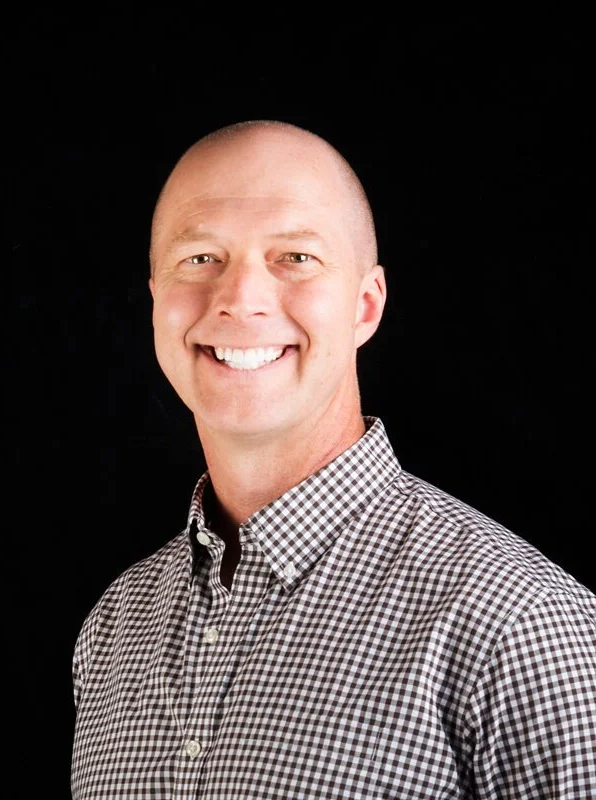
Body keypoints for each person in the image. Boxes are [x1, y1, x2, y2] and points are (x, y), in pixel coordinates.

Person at [70, 120, 596, 799]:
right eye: (200, 259)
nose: (240, 299)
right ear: (155, 303)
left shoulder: (520, 624)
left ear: (365, 306)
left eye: (295, 257)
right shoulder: (114, 629)